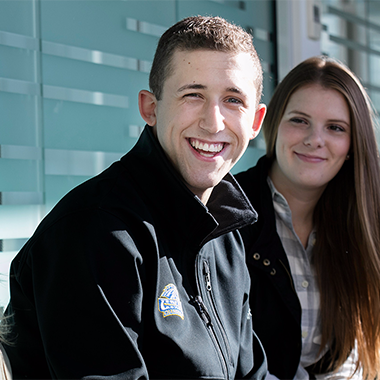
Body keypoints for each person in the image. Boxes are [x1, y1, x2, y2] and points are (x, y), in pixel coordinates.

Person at [2, 16, 267, 379]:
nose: (214, 121)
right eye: (193, 95)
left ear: (255, 122)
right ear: (150, 108)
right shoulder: (95, 232)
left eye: (233, 100)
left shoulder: (226, 235)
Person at [235, 55, 380, 380]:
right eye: (299, 120)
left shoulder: (361, 222)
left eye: (335, 128)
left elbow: (351, 359)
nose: (316, 139)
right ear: (272, 124)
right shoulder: (225, 216)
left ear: (353, 144)